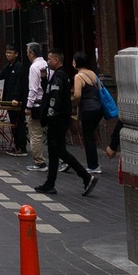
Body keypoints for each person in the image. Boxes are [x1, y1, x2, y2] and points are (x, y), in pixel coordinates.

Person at [35, 48, 97, 198]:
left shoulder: (59, 76)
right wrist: (44, 80)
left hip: (57, 120)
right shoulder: (58, 76)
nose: (48, 62)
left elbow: (54, 99)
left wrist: (50, 117)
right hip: (59, 119)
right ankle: (50, 183)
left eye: (49, 59)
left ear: (56, 60)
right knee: (54, 152)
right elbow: (50, 93)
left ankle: (86, 177)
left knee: (60, 151)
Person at [71, 52, 103, 175]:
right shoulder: (93, 74)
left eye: (74, 61)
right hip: (98, 108)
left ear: (77, 62)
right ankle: (94, 163)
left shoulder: (79, 76)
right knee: (91, 136)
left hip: (88, 109)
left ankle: (93, 165)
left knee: (88, 137)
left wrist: (76, 103)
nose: (72, 63)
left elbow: (78, 94)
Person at [0, 45, 30, 155]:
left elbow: (19, 84)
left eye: (11, 53)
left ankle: (22, 147)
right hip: (9, 100)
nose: (8, 55)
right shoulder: (8, 66)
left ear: (16, 54)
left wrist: (16, 98)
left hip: (17, 101)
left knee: (19, 123)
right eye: (7, 52)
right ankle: (17, 146)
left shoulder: (19, 67)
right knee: (13, 123)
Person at [25, 41, 49, 169]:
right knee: (50, 133)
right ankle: (63, 159)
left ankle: (39, 161)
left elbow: (33, 89)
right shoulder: (46, 64)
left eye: (28, 52)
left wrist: (28, 106)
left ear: (31, 53)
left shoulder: (34, 67)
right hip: (47, 103)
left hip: (37, 104)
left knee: (35, 134)